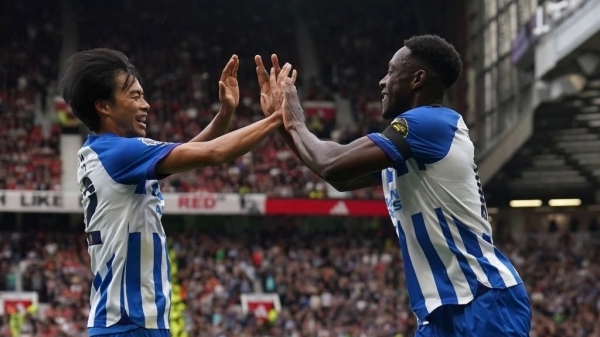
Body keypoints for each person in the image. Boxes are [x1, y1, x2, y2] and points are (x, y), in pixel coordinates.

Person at [263, 35, 532, 336]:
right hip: (439, 312)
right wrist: (281, 121)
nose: (382, 81)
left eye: (391, 71)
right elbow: (340, 179)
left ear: (417, 79)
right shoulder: (412, 144)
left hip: (483, 300)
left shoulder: (428, 124)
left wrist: (296, 118)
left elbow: (332, 164)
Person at [58, 48, 294, 336]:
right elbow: (214, 154)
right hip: (129, 324)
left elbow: (193, 152)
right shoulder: (120, 152)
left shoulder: (104, 152)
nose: (145, 105)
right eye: (134, 96)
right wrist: (277, 117)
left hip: (127, 322)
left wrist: (225, 113)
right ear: (103, 106)